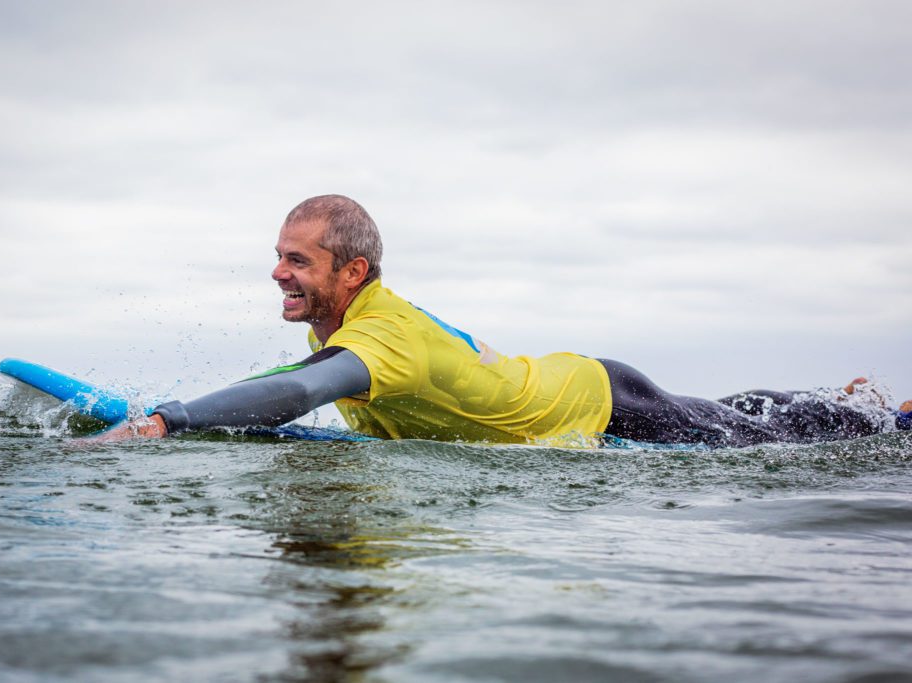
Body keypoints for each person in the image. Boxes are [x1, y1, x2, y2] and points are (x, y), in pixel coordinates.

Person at [98, 195, 911, 446]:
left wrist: (166, 421)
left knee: (758, 442)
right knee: (729, 409)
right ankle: (840, 395)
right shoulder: (360, 326)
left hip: (595, 401)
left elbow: (305, 391)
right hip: (570, 378)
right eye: (278, 254)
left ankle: (882, 419)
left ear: (353, 273)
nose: (276, 271)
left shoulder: (378, 338)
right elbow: (285, 381)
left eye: (297, 260)